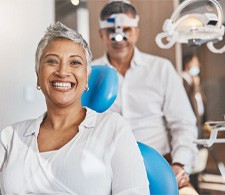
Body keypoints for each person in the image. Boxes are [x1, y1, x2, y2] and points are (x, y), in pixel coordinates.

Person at [0, 22, 149, 194]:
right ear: (38, 75)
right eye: (52, 61)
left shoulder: (112, 128)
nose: (63, 71)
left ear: (87, 78)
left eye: (75, 62)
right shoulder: (10, 137)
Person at [91, 0, 199, 191]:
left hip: (162, 166)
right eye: (111, 32)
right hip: (108, 171)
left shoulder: (161, 69)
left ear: (137, 32)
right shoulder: (90, 75)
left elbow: (183, 123)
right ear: (101, 34)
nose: (119, 38)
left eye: (126, 30)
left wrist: (180, 164)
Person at [182, 54, 207, 139]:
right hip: (189, 122)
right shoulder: (182, 80)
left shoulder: (194, 80)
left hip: (199, 120)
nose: (198, 66)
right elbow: (188, 99)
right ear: (187, 64)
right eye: (195, 63)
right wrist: (195, 86)